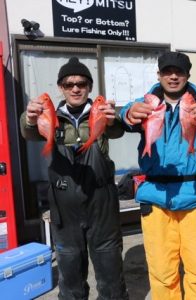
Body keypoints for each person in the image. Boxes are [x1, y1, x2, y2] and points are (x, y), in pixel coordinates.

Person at [120, 51, 196, 300]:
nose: (173, 76)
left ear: (188, 75)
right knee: (161, 273)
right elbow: (124, 115)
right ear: (159, 75)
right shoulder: (147, 103)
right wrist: (127, 113)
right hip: (156, 198)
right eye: (167, 71)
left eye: (179, 72)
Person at [20, 57, 128, 299]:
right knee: (69, 273)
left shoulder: (101, 111)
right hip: (63, 203)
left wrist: (112, 120)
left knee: (110, 269)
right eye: (69, 84)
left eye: (81, 83)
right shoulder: (50, 115)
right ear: (61, 88)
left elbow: (116, 129)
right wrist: (29, 118)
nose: (76, 88)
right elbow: (28, 131)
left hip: (101, 200)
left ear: (89, 87)